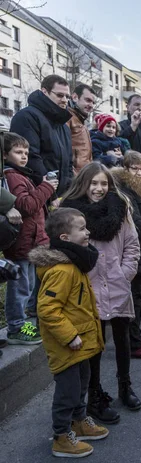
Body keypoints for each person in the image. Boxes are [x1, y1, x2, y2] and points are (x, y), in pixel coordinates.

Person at [61, 162, 141, 423]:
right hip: (88, 288)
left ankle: (124, 387)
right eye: (94, 183)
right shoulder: (70, 213)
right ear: (84, 183)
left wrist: (124, 272)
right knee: (94, 345)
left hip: (117, 283)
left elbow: (132, 244)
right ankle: (95, 395)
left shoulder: (121, 208)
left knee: (123, 339)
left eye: (104, 183)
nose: (99, 188)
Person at [30, 207, 109, 457]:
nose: (88, 232)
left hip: (79, 341)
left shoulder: (74, 264)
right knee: (68, 391)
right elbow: (48, 309)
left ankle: (78, 420)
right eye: (82, 229)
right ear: (65, 238)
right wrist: (70, 336)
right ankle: (62, 437)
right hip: (68, 343)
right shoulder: (62, 271)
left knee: (82, 382)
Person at [3, 132, 58, 344]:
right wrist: (46, 187)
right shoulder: (13, 176)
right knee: (20, 288)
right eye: (18, 152)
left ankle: (22, 324)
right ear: (6, 154)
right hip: (22, 244)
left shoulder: (21, 175)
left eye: (26, 152)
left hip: (30, 243)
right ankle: (16, 328)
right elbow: (26, 206)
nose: (24, 156)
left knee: (26, 288)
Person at [112, 151, 141, 359]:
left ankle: (136, 337)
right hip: (136, 251)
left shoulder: (138, 189)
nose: (140, 172)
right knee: (136, 299)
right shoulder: (127, 191)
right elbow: (137, 225)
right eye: (135, 168)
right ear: (126, 169)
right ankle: (133, 343)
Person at [10, 75, 73, 197]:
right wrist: (50, 195)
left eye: (67, 96)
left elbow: (68, 164)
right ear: (44, 92)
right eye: (60, 95)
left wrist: (68, 194)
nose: (65, 100)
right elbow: (31, 159)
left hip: (60, 199)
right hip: (34, 197)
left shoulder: (64, 127)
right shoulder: (27, 117)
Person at [66, 84, 95, 176]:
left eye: (93, 102)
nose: (91, 105)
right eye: (88, 100)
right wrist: (73, 176)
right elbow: (63, 151)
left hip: (84, 175)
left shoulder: (81, 120)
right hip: (76, 177)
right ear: (75, 97)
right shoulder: (67, 118)